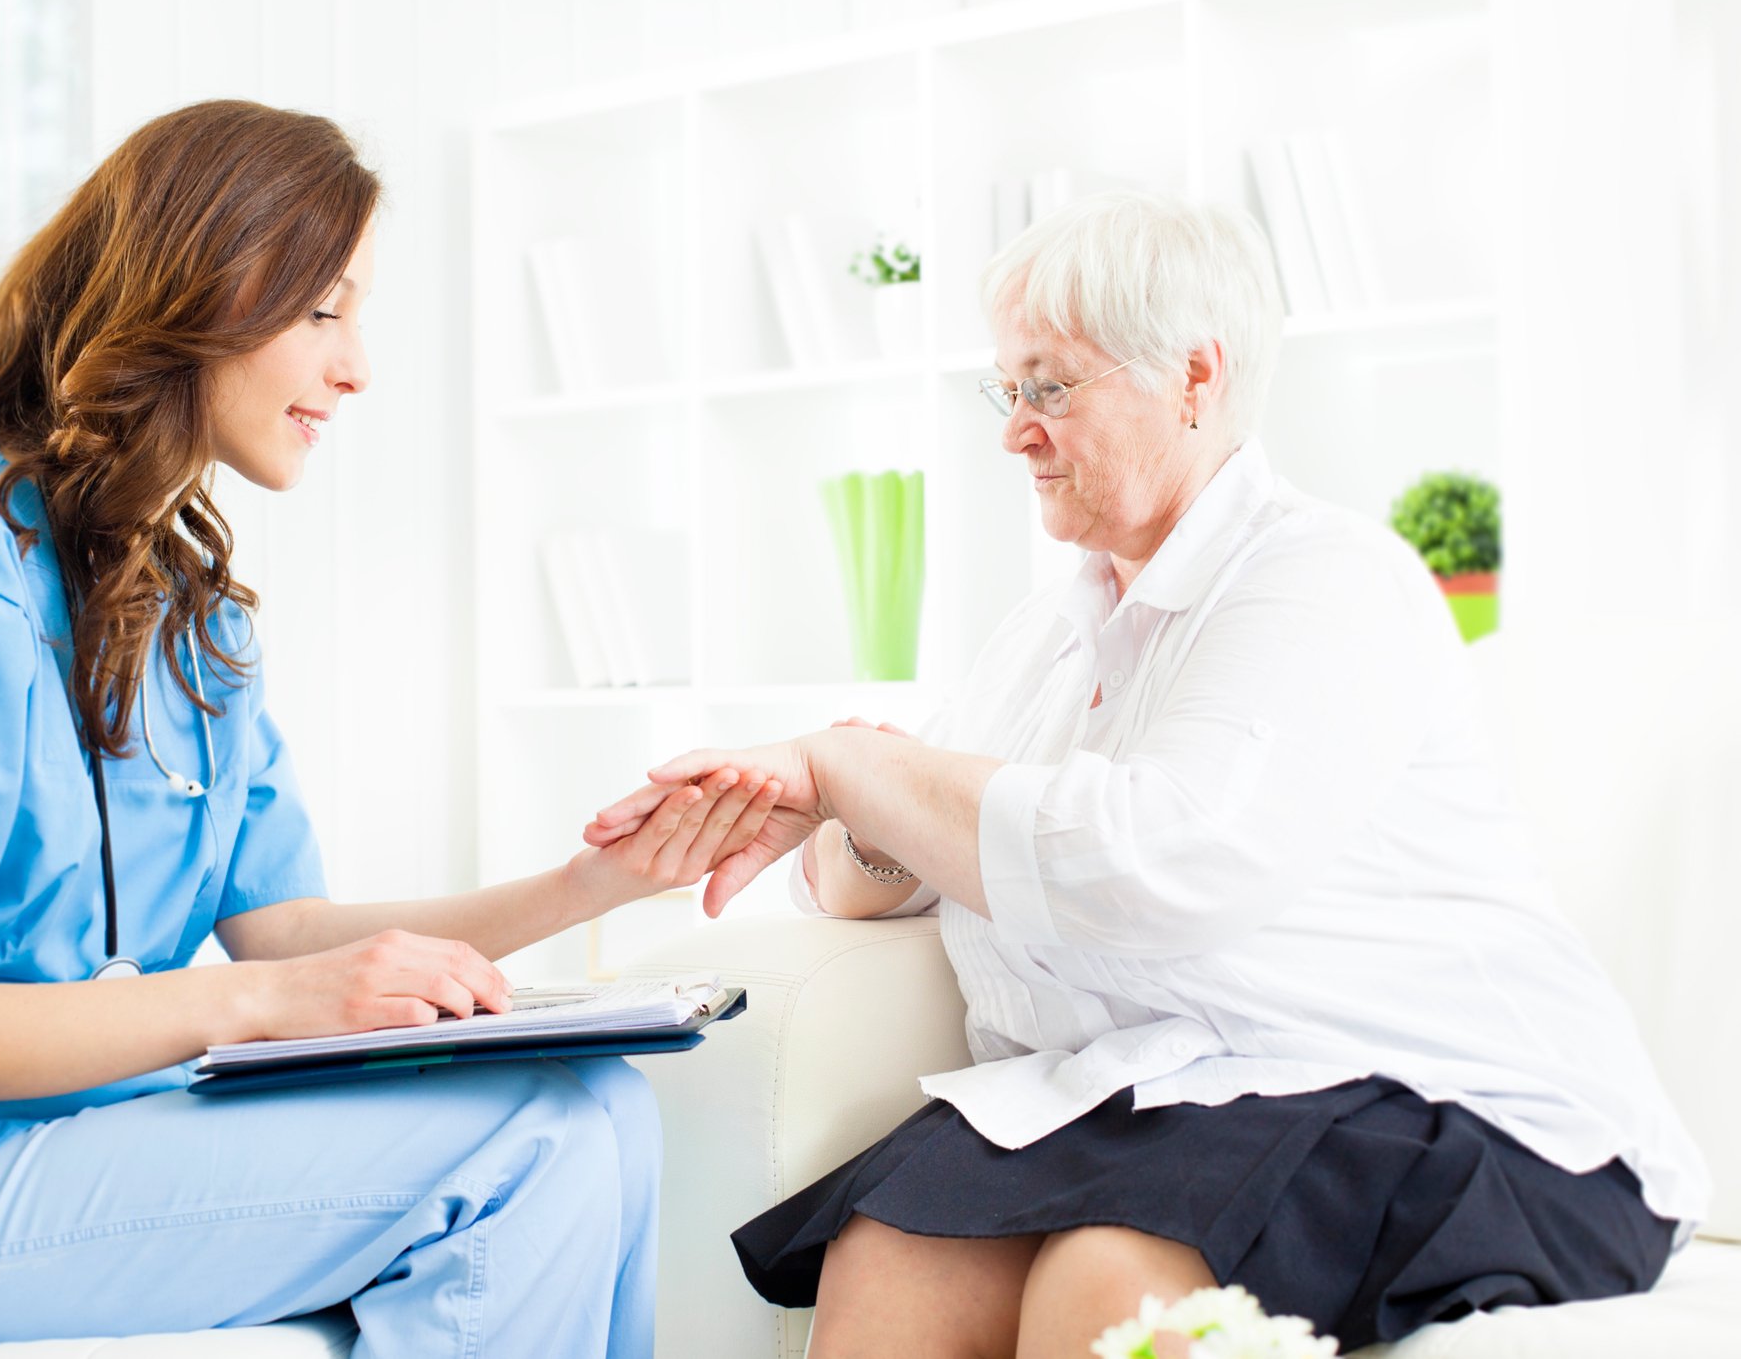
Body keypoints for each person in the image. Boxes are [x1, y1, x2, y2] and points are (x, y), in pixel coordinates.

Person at [0, 99, 781, 1356]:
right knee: (531, 1138)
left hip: (72, 1126)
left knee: (599, 1107)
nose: (357, 368)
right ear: (201, 290)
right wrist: (261, 1004)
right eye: (323, 311)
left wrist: (591, 883)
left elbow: (281, 928)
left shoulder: (184, 608)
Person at [586, 191, 1709, 1356]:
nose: (1013, 429)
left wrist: (858, 770)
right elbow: (882, 873)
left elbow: (1157, 866)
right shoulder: (1042, 635)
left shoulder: (1322, 582)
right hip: (1157, 1099)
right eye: (1006, 389)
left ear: (1193, 376)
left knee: (1108, 1274)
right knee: (891, 1249)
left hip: (1435, 1098)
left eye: (1049, 386)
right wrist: (857, 807)